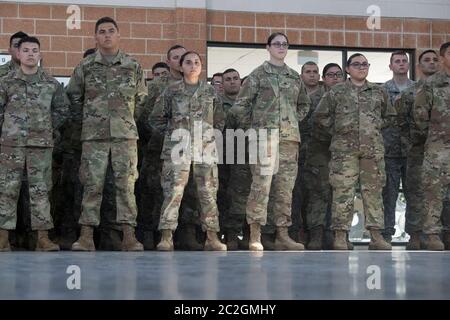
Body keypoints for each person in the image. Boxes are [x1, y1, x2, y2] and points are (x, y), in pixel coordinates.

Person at [66, 17, 147, 251]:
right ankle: (86, 236)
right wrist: (90, 121)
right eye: (101, 32)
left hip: (125, 137)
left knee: (126, 185)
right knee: (92, 185)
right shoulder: (85, 66)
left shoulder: (133, 66)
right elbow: (73, 98)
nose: (106, 35)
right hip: (94, 137)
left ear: (119, 35)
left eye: (111, 31)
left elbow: (141, 100)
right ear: (95, 37)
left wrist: (126, 121)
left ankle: (128, 236)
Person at [230, 32, 310, 251]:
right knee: (261, 187)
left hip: (288, 141)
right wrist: (255, 128)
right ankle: (255, 234)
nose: (281, 47)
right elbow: (240, 107)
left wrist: (291, 121)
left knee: (285, 189)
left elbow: (304, 105)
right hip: (263, 140)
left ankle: (282, 235)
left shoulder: (294, 77)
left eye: (285, 44)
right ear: (268, 47)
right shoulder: (258, 75)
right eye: (277, 44)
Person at [312, 53, 396, 250]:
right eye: (356, 64)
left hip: (372, 151)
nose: (361, 67)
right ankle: (340, 236)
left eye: (365, 64)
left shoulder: (378, 91)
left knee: (373, 193)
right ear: (348, 69)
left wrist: (373, 128)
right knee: (343, 193)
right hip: (344, 152)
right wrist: (337, 132)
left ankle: (376, 236)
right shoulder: (336, 92)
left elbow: (391, 116)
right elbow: (320, 116)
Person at [150, 51, 226, 251]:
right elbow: (156, 118)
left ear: (201, 67)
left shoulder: (211, 93)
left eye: (197, 63)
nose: (193, 66)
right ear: (181, 67)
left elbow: (220, 120)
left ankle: (211, 237)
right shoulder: (171, 91)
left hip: (205, 150)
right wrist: (172, 136)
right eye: (188, 62)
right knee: (173, 192)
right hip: (178, 149)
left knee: (208, 193)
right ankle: (166, 237)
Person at [0, 36, 69, 251]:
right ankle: (3, 238)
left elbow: (62, 109)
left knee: (40, 191)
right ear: (18, 54)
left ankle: (42, 238)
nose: (30, 54)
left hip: (40, 146)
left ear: (40, 55)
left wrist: (47, 127)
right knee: (7, 190)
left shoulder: (50, 83)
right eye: (26, 50)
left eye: (35, 50)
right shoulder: (6, 82)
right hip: (12, 145)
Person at [394, 49, 440, 249]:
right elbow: (400, 123)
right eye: (427, 60)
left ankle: (439, 234)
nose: (432, 63)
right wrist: (411, 144)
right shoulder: (409, 93)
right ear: (419, 66)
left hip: (443, 152)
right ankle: (415, 235)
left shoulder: (445, 89)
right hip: (418, 152)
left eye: (435, 60)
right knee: (416, 193)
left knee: (441, 194)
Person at [413, 42, 450, 251]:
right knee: (434, 192)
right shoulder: (431, 84)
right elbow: (420, 116)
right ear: (443, 58)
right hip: (439, 147)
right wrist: (436, 135)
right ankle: (433, 234)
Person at [304, 63, 345, 250]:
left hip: (344, 154)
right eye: (330, 75)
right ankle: (316, 233)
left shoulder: (349, 97)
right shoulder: (314, 99)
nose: (335, 78)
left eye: (338, 75)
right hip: (319, 151)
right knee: (318, 193)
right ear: (324, 78)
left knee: (342, 194)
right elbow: (309, 126)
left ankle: (338, 234)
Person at [382, 51, 415, 243]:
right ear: (391, 66)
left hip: (413, 150)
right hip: (390, 149)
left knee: (414, 193)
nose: (401, 64)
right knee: (389, 194)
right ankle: (386, 233)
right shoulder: (383, 90)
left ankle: (415, 233)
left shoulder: (418, 89)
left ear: (408, 65)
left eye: (404, 61)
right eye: (397, 61)